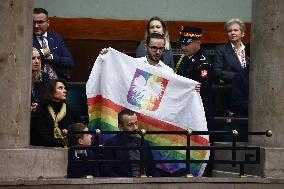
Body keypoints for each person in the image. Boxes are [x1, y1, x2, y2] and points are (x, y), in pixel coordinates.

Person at [100, 33, 201, 91]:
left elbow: (175, 92)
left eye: (161, 49)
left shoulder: (168, 71)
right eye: (154, 48)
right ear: (146, 47)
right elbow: (115, 74)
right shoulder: (135, 64)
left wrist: (191, 88)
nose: (157, 52)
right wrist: (106, 58)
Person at [175, 26, 214, 131]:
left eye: (187, 44)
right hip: (185, 107)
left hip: (199, 110)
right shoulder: (186, 57)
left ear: (198, 43)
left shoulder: (203, 64)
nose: (183, 47)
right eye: (182, 44)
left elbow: (203, 91)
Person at [101, 109, 159, 177]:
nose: (135, 128)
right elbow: (107, 171)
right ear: (120, 127)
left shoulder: (144, 143)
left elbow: (153, 169)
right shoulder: (111, 144)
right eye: (130, 125)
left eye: (136, 123)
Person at [31, 79, 80, 147]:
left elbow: (76, 133)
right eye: (60, 88)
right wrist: (61, 142)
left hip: (68, 149)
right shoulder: (42, 109)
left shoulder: (72, 110)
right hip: (44, 149)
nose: (65, 91)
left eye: (65, 88)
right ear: (51, 91)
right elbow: (41, 136)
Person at [33, 8, 75, 80]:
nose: (36, 26)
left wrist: (52, 57)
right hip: (37, 81)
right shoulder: (26, 39)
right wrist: (42, 53)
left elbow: (70, 62)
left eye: (40, 22)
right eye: (34, 22)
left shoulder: (56, 37)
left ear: (48, 23)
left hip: (57, 81)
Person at [213, 18, 249, 83]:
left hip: (250, 87)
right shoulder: (221, 49)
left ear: (242, 34)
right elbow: (217, 71)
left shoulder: (249, 49)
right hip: (231, 87)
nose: (232, 33)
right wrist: (239, 76)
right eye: (230, 31)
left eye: (235, 30)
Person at [31, 47, 49, 112]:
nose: (37, 61)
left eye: (38, 58)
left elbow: (47, 98)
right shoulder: (19, 78)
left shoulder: (44, 76)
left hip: (40, 113)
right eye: (33, 58)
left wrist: (39, 105)